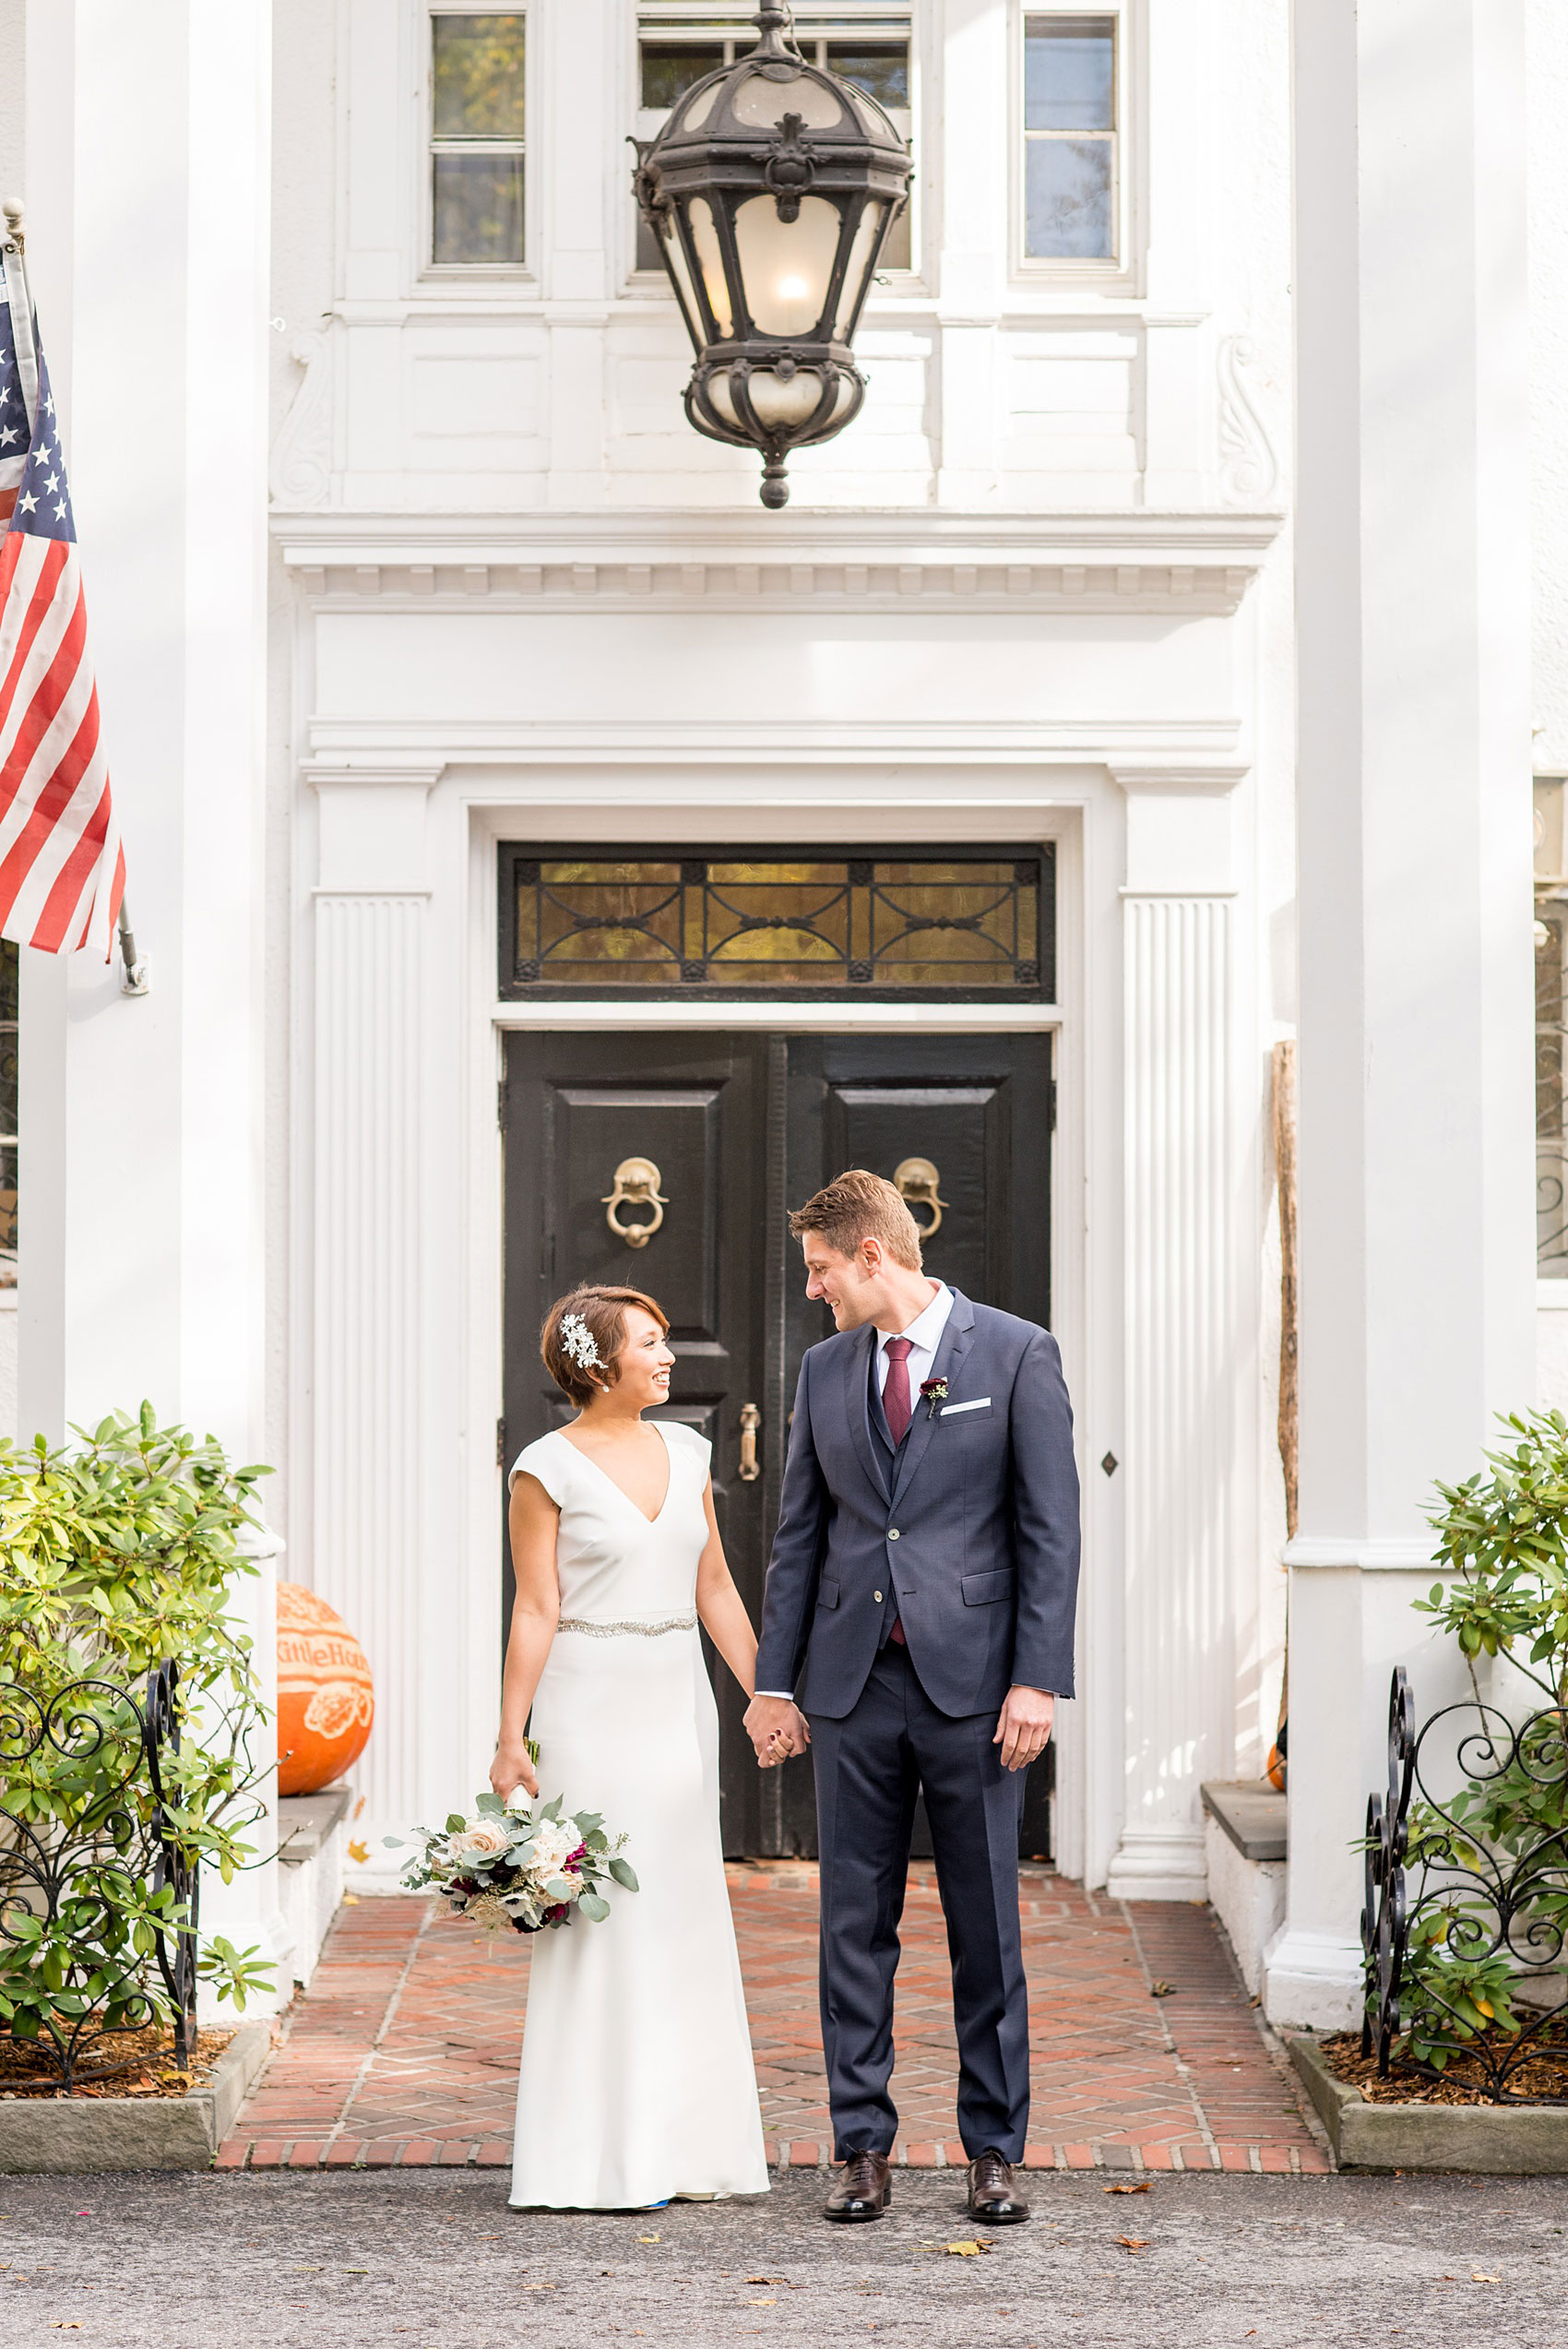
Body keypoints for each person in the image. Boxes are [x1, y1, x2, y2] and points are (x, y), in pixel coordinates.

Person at [745, 1171, 1081, 2226]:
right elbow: (799, 1534)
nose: (813, 1290)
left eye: (819, 1269)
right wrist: (773, 1678)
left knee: (983, 1922)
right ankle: (860, 2147)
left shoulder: (1016, 1352)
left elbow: (1048, 1531)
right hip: (852, 1687)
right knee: (853, 1923)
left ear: (872, 1258)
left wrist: (1037, 1676)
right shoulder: (824, 1366)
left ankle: (992, 2148)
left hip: (975, 1688)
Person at [494, 1284, 771, 2212]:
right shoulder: (545, 1469)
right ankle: (596, 2158)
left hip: (673, 1700)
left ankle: (689, 2149)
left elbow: (717, 1589)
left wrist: (764, 1691)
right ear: (596, 1361)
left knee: (682, 1911)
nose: (668, 1357)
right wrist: (509, 1736)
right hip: (588, 1703)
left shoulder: (689, 1450)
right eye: (650, 1343)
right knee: (605, 1919)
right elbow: (533, 1607)